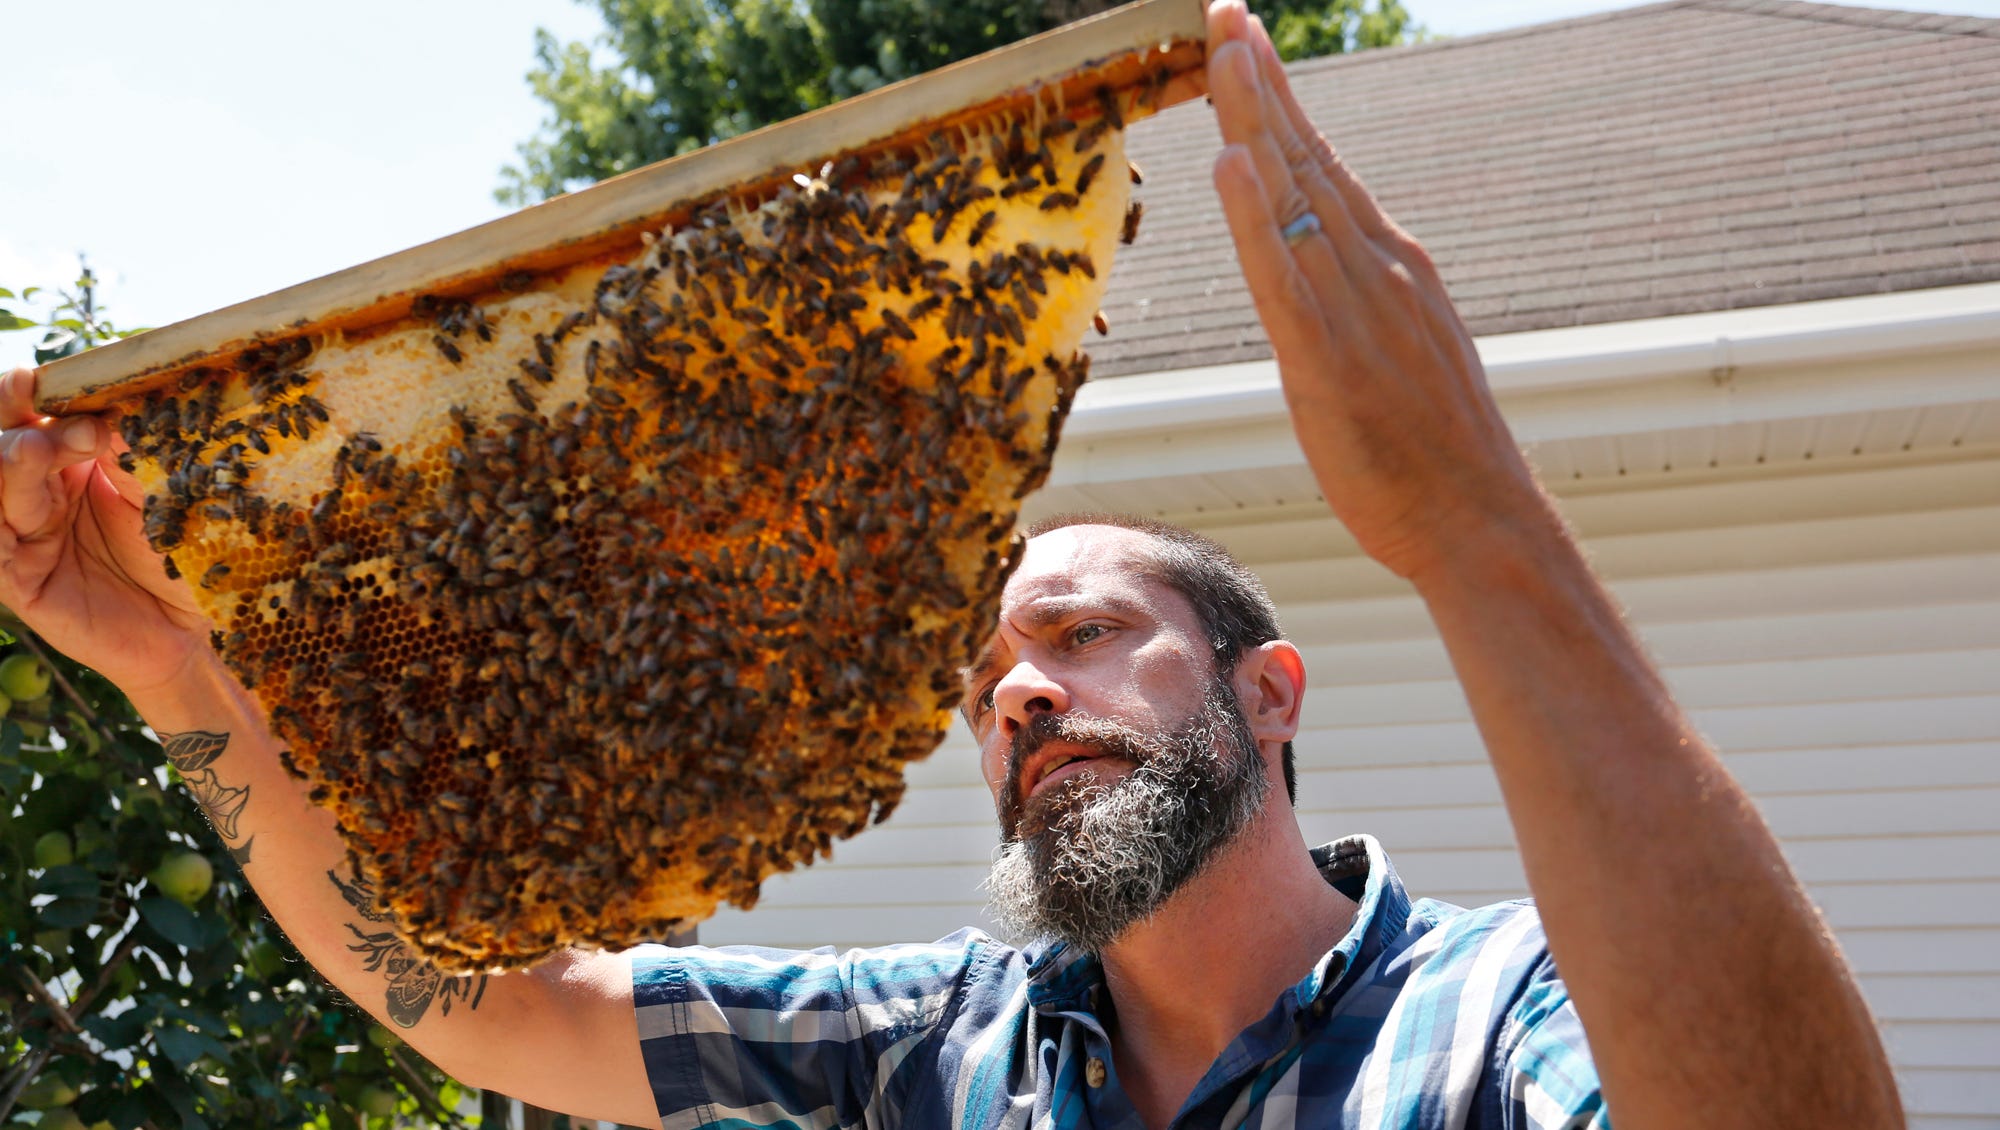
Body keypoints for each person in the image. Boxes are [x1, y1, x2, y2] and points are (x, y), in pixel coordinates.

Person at [0, 2, 1903, 1127]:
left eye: (1086, 628)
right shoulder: (927, 1054)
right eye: (992, 664)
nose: (1018, 686)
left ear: (1268, 689)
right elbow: (502, 1001)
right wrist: (173, 671)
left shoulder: (1496, 1022)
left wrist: (1475, 525)